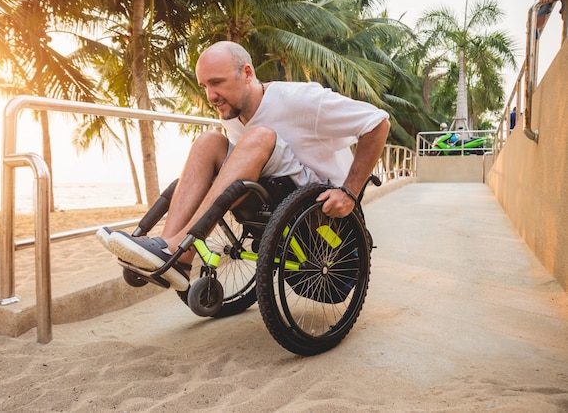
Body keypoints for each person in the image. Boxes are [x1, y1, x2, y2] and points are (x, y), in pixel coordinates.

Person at [96, 41, 390, 290]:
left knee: (259, 137)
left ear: (247, 73)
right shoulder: (232, 115)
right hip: (273, 191)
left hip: (321, 205)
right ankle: (174, 253)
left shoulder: (301, 100)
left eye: (217, 83)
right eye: (205, 86)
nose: (210, 96)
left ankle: (176, 246)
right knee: (209, 141)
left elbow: (377, 123)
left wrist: (349, 192)